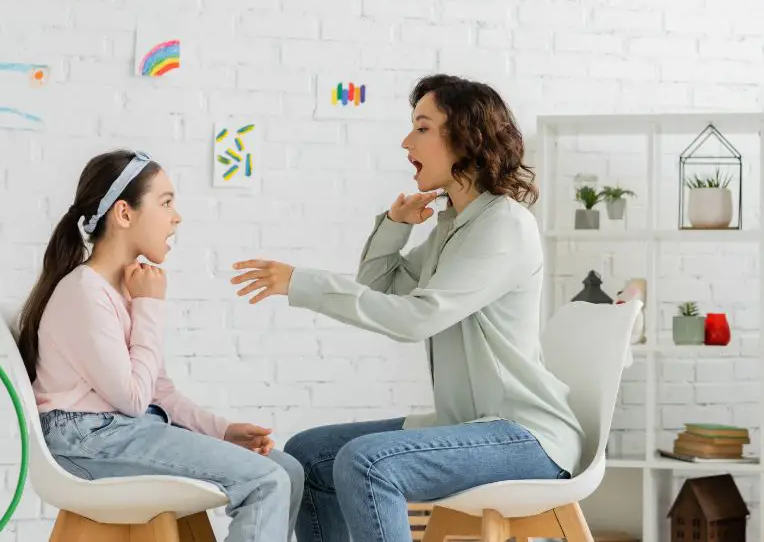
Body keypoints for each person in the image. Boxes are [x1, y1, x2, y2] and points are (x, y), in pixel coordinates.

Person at [230, 74, 584, 542]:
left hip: (526, 437)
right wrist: (395, 225)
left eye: (421, 127)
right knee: (309, 453)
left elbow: (416, 319)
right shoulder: (454, 227)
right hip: (467, 424)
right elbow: (381, 288)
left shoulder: (503, 227)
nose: (405, 141)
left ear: (465, 137)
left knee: (366, 462)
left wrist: (302, 283)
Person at [18, 149, 303, 542]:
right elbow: (134, 400)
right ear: (124, 214)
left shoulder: (124, 288)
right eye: (166, 202)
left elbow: (158, 391)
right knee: (266, 480)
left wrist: (222, 431)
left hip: (121, 431)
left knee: (287, 469)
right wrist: (150, 305)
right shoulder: (86, 292)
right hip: (86, 440)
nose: (177, 216)